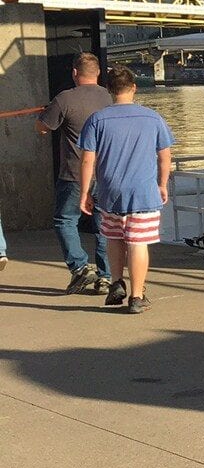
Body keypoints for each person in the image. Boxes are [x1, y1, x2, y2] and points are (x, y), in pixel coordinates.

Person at [78, 65, 173, 314]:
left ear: (109, 89)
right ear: (134, 88)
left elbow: (88, 159)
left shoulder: (97, 120)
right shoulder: (153, 118)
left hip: (110, 191)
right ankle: (137, 296)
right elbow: (165, 158)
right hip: (143, 191)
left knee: (114, 237)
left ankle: (117, 281)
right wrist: (162, 185)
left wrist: (85, 192)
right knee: (138, 243)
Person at [36, 52, 112, 294]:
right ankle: (106, 277)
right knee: (104, 227)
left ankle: (80, 267)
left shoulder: (64, 98)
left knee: (65, 220)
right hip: (106, 174)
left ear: (74, 73)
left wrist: (47, 112)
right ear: (98, 73)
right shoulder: (111, 98)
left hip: (74, 173)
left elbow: (42, 127)